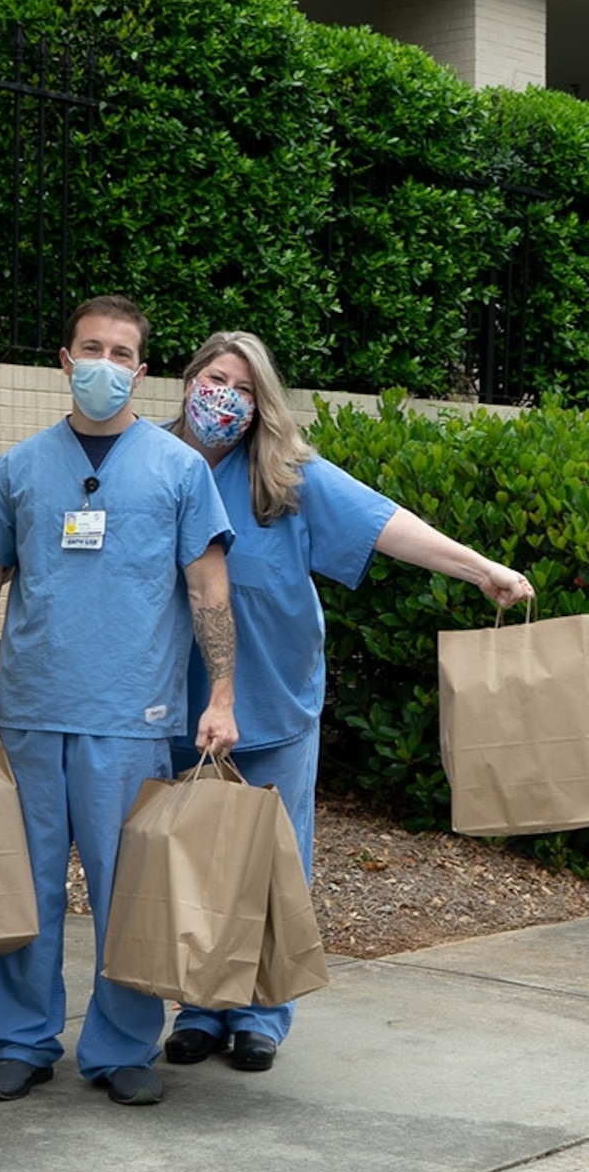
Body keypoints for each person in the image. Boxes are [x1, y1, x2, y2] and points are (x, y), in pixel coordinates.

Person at [153, 330, 530, 1072]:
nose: (223, 396)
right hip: (175, 705)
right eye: (213, 378)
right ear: (189, 380)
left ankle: (262, 1011)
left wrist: (479, 569)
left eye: (243, 387)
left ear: (262, 405)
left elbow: (387, 526)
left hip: (275, 701)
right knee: (191, 857)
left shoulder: (288, 479)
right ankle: (199, 1004)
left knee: (272, 858)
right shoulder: (154, 464)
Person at [0, 296, 238, 1109]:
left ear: (141, 370)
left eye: (121, 352)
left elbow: (208, 591)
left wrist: (223, 692)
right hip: (29, 710)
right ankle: (21, 1038)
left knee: (131, 888)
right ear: (64, 359)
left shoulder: (179, 471)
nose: (104, 363)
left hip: (133, 718)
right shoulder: (21, 467)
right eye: (91, 347)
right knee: (25, 885)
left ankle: (123, 1047)